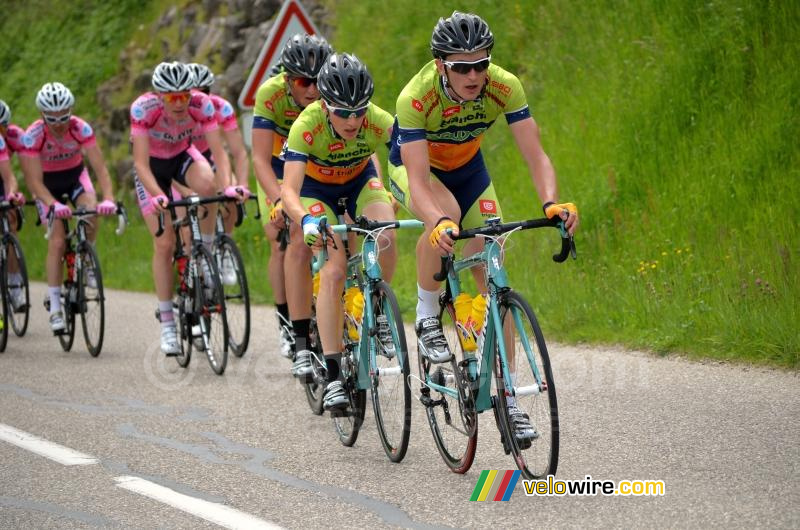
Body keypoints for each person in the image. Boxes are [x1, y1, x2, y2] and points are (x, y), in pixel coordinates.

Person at [387, 12, 579, 436]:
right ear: (441, 65)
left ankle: (508, 399)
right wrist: (436, 221)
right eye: (462, 67)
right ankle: (425, 315)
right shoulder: (415, 97)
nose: (474, 75)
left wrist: (551, 203)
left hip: (470, 170)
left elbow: (536, 155)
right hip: (416, 171)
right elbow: (418, 182)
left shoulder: (504, 85)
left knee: (493, 263)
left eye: (481, 64)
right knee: (447, 218)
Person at [281, 53, 397, 410]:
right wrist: (305, 220)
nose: (353, 120)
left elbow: (409, 162)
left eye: (359, 111)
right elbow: (288, 190)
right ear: (324, 104)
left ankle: (377, 308)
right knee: (333, 269)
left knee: (387, 231)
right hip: (317, 192)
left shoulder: (378, 121)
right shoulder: (307, 124)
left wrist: (403, 192)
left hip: (360, 180)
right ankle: (332, 375)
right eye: (343, 112)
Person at [130, 61, 231, 355]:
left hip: (180, 158)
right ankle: (168, 325)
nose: (179, 103)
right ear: (159, 96)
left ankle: (206, 251)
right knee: (164, 243)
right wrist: (156, 195)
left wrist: (227, 187)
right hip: (151, 168)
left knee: (209, 188)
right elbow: (139, 163)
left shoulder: (201, 105)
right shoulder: (142, 109)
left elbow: (219, 152)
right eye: (172, 97)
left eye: (184, 96)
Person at [251, 33, 332, 359]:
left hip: (313, 160)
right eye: (303, 81)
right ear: (287, 81)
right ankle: (287, 321)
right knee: (277, 237)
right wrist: (278, 200)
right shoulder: (269, 95)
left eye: (318, 80)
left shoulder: (332, 91)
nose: (313, 89)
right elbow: (258, 158)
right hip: (276, 162)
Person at [19, 83, 116, 332]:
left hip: (75, 178)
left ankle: (87, 256)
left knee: (91, 209)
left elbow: (100, 169)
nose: (60, 123)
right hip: (46, 186)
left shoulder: (80, 128)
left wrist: (109, 198)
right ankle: (54, 307)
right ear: (43, 115)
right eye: (53, 119)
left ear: (71, 111)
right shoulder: (33, 135)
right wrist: (52, 204)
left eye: (64, 116)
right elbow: (33, 181)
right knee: (58, 242)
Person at [187, 63, 251, 286]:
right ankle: (188, 276)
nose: (198, 97)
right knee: (184, 224)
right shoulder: (178, 110)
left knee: (230, 194)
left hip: (211, 157)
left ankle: (225, 250)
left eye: (203, 92)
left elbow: (239, 152)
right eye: (192, 92)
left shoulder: (220, 107)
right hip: (185, 161)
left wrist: (241, 185)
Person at [0, 100, 29, 312]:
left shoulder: (14, 137)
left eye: (2, 127)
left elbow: (12, 177)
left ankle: (15, 286)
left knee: (10, 222)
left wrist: (14, 195)